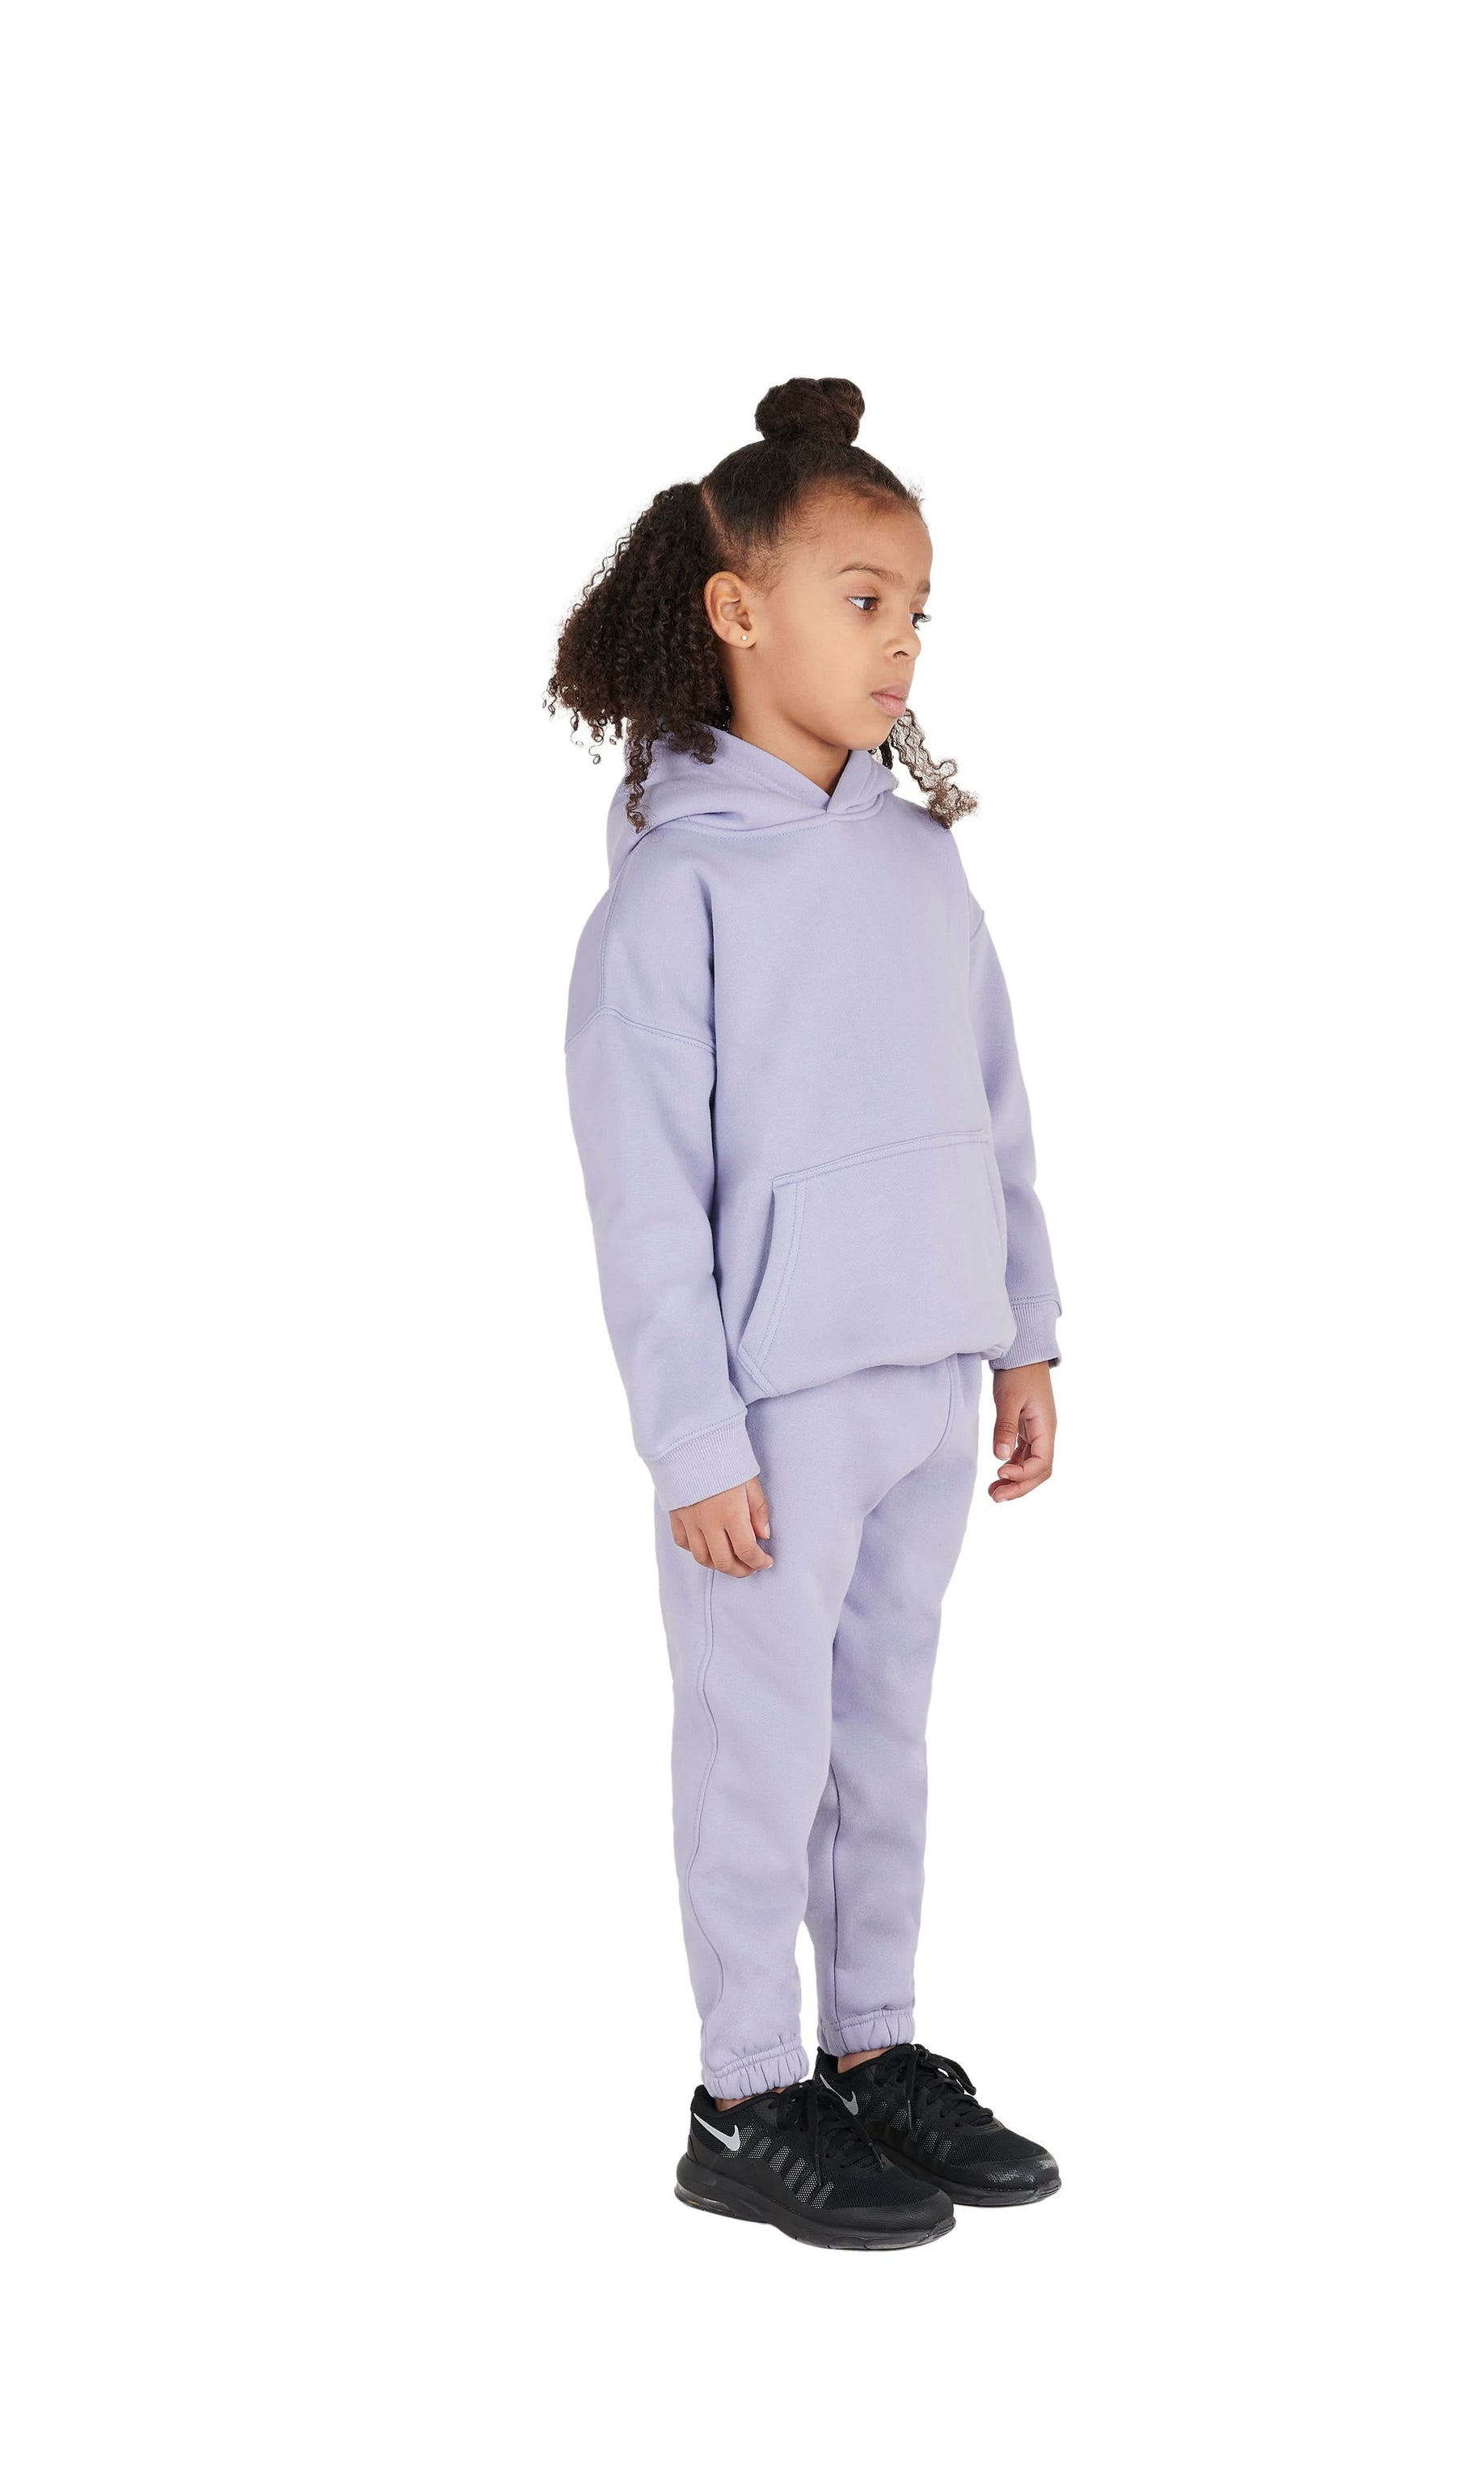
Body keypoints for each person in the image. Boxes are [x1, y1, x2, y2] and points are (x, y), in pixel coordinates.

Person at [552, 376, 1065, 2252]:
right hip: (767, 1415)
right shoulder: (677, 891)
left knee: (880, 1742)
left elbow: (990, 1100)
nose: (901, 640)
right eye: (863, 598)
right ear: (738, 609)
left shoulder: (919, 859)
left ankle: (871, 2050)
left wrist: (1021, 1333)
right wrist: (692, 1438)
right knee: (755, 1755)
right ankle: (744, 2091)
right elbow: (642, 1200)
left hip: (924, 1374)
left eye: (917, 608)